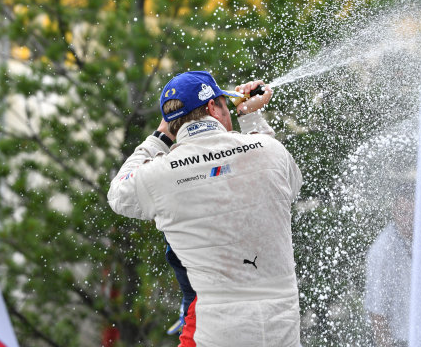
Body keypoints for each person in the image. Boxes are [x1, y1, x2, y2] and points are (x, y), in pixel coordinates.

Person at [107, 71, 303, 346]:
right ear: (213, 106)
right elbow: (289, 187)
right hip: (281, 330)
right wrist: (249, 117)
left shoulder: (159, 174)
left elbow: (118, 194)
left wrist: (160, 136)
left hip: (215, 332)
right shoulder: (269, 151)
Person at [364, 186, 414, 347]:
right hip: (398, 339)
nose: (409, 220)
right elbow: (376, 311)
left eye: (413, 214)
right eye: (404, 214)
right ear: (394, 213)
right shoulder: (382, 251)